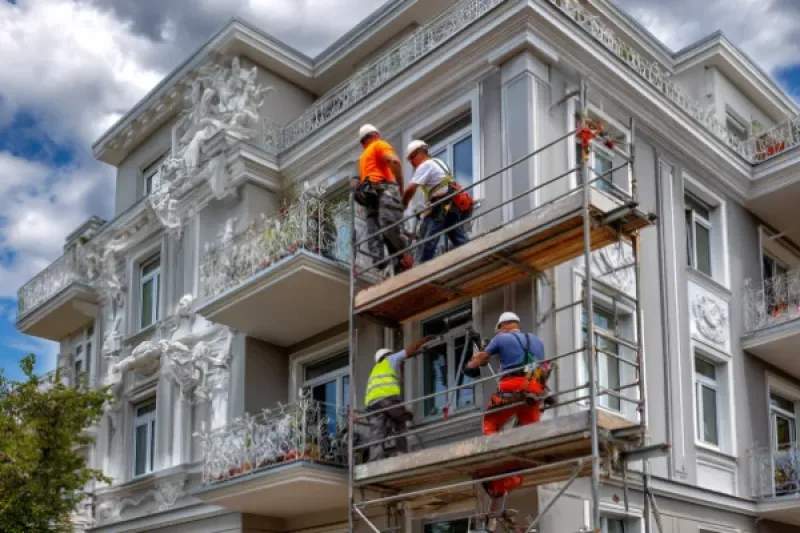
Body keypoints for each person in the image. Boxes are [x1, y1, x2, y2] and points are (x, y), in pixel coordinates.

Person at [465, 311, 549, 497]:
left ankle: (501, 468)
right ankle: (514, 477)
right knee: (528, 435)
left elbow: (482, 359)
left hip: (512, 386)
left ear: (503, 326)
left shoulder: (501, 338)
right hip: (535, 387)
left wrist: (470, 365)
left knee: (490, 423)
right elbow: (534, 363)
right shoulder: (538, 341)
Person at [355, 124, 412, 275]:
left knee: (375, 232)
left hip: (371, 192)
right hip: (384, 189)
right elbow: (395, 163)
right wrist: (400, 189)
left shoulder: (362, 159)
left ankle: (388, 260)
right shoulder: (379, 144)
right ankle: (400, 256)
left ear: (362, 143)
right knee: (388, 226)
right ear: (375, 135)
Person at [365, 336, 432, 461]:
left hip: (373, 404)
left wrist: (416, 353)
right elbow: (409, 350)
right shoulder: (391, 359)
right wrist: (425, 339)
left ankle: (375, 460)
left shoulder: (375, 369)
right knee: (401, 420)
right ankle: (402, 452)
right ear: (388, 355)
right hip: (387, 399)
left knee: (377, 433)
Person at [402, 140, 470, 263]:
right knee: (457, 236)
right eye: (409, 159)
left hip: (441, 204)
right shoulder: (438, 162)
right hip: (451, 203)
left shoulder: (425, 165)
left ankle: (421, 270)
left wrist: (402, 205)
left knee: (427, 239)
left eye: (412, 157)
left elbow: (410, 190)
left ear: (421, 152)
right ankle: (472, 256)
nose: (411, 162)